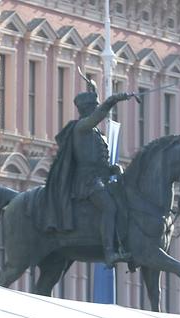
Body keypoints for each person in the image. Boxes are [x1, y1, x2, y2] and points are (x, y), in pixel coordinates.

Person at [35, 80, 138, 264]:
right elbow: (99, 117)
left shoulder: (95, 133)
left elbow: (98, 160)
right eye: (95, 107)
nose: (97, 111)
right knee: (109, 207)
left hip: (99, 178)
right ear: (88, 109)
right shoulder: (82, 127)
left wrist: (113, 169)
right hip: (86, 181)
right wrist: (116, 98)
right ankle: (109, 253)